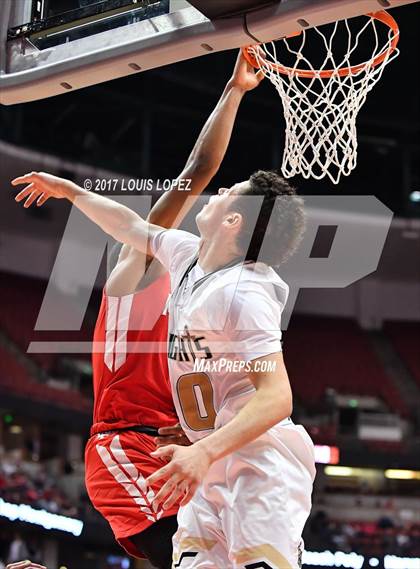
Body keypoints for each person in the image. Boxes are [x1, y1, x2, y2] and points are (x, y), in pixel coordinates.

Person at [12, 52, 264, 568]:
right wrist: (234, 91)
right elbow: (196, 172)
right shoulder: (143, 264)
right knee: (178, 557)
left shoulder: (210, 299)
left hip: (179, 449)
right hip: (121, 443)